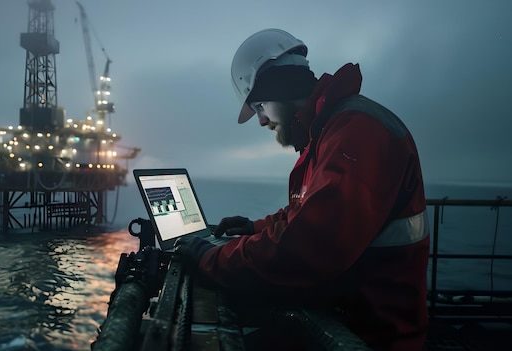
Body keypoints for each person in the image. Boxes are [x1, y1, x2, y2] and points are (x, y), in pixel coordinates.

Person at [174, 28, 430, 350]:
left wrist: (210, 257)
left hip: (371, 337)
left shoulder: (356, 131)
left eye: (259, 107)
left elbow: (310, 247)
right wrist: (254, 228)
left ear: (277, 89)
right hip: (343, 316)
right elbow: (310, 214)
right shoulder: (331, 131)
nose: (262, 122)